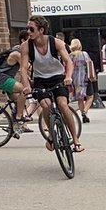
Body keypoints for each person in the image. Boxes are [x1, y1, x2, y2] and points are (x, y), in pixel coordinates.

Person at [20, 14, 83, 152]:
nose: (28, 32)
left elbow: (68, 62)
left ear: (41, 30)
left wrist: (68, 77)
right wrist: (26, 85)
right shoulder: (26, 47)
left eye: (31, 29)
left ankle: (76, 139)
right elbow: (23, 68)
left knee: (62, 104)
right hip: (40, 79)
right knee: (45, 105)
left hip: (57, 77)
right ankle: (51, 134)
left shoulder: (56, 43)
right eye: (27, 29)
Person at [0, 30, 33, 128]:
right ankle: (19, 116)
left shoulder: (21, 52)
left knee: (18, 102)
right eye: (29, 40)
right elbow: (27, 67)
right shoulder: (16, 54)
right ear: (23, 40)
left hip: (7, 78)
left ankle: (13, 126)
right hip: (3, 79)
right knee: (24, 90)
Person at [69, 38, 97, 123]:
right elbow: (89, 64)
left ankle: (82, 113)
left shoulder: (70, 56)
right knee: (90, 96)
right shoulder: (84, 54)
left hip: (75, 80)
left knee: (80, 99)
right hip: (85, 78)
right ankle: (85, 112)